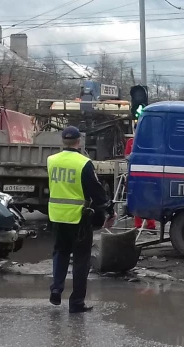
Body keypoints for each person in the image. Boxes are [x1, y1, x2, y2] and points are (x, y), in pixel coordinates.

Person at [47, 126, 109, 313]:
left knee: (60, 252)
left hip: (57, 215)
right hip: (78, 217)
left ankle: (56, 289)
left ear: (62, 141)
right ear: (78, 141)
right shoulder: (83, 163)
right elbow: (96, 191)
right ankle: (76, 303)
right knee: (81, 259)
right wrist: (108, 209)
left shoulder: (51, 160)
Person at [124, 127, 157, 230]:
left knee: (149, 199)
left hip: (148, 175)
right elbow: (126, 156)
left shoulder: (150, 142)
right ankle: (138, 225)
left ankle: (151, 224)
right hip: (134, 175)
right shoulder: (130, 142)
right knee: (136, 199)